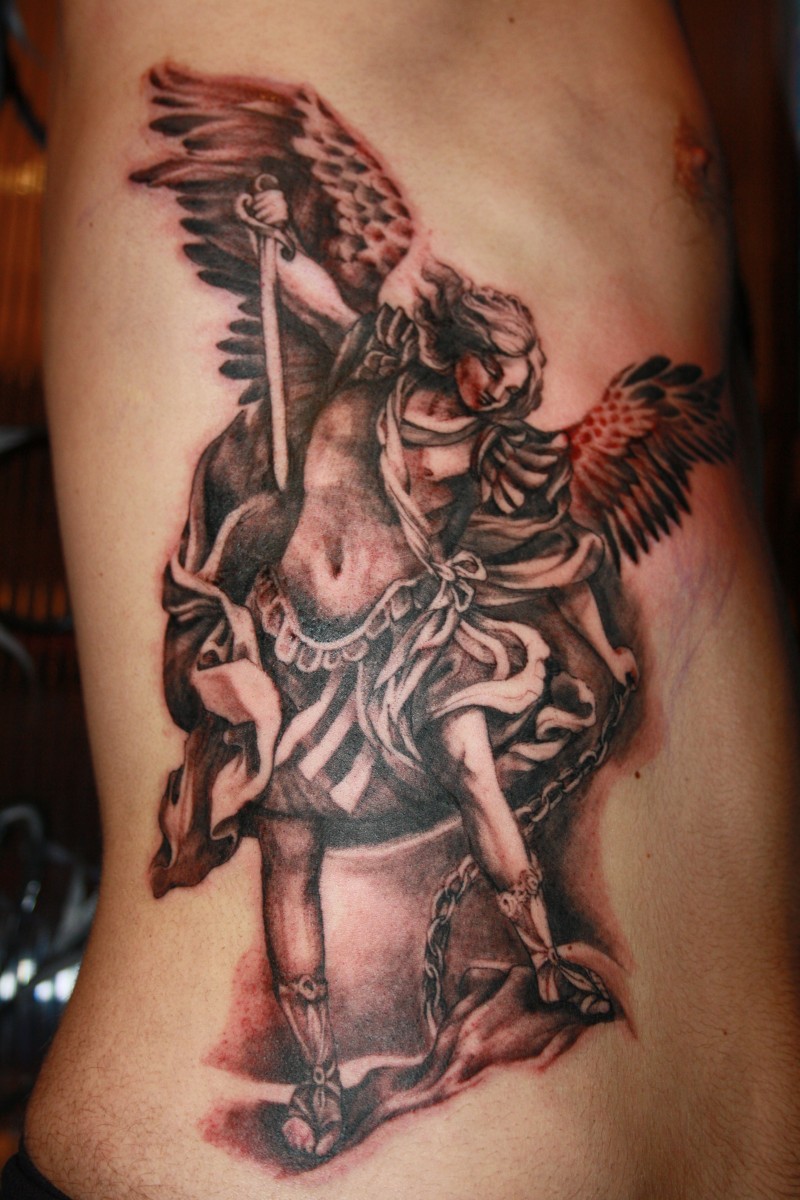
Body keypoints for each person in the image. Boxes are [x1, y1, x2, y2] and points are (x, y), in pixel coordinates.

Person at [6, 1, 799, 1197]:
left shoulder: (484, 438)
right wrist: (276, 244)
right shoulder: (369, 356)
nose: (489, 396)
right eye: (483, 377)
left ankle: (538, 957)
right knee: (293, 838)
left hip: (747, 1133)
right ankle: (324, 1074)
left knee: (471, 762)